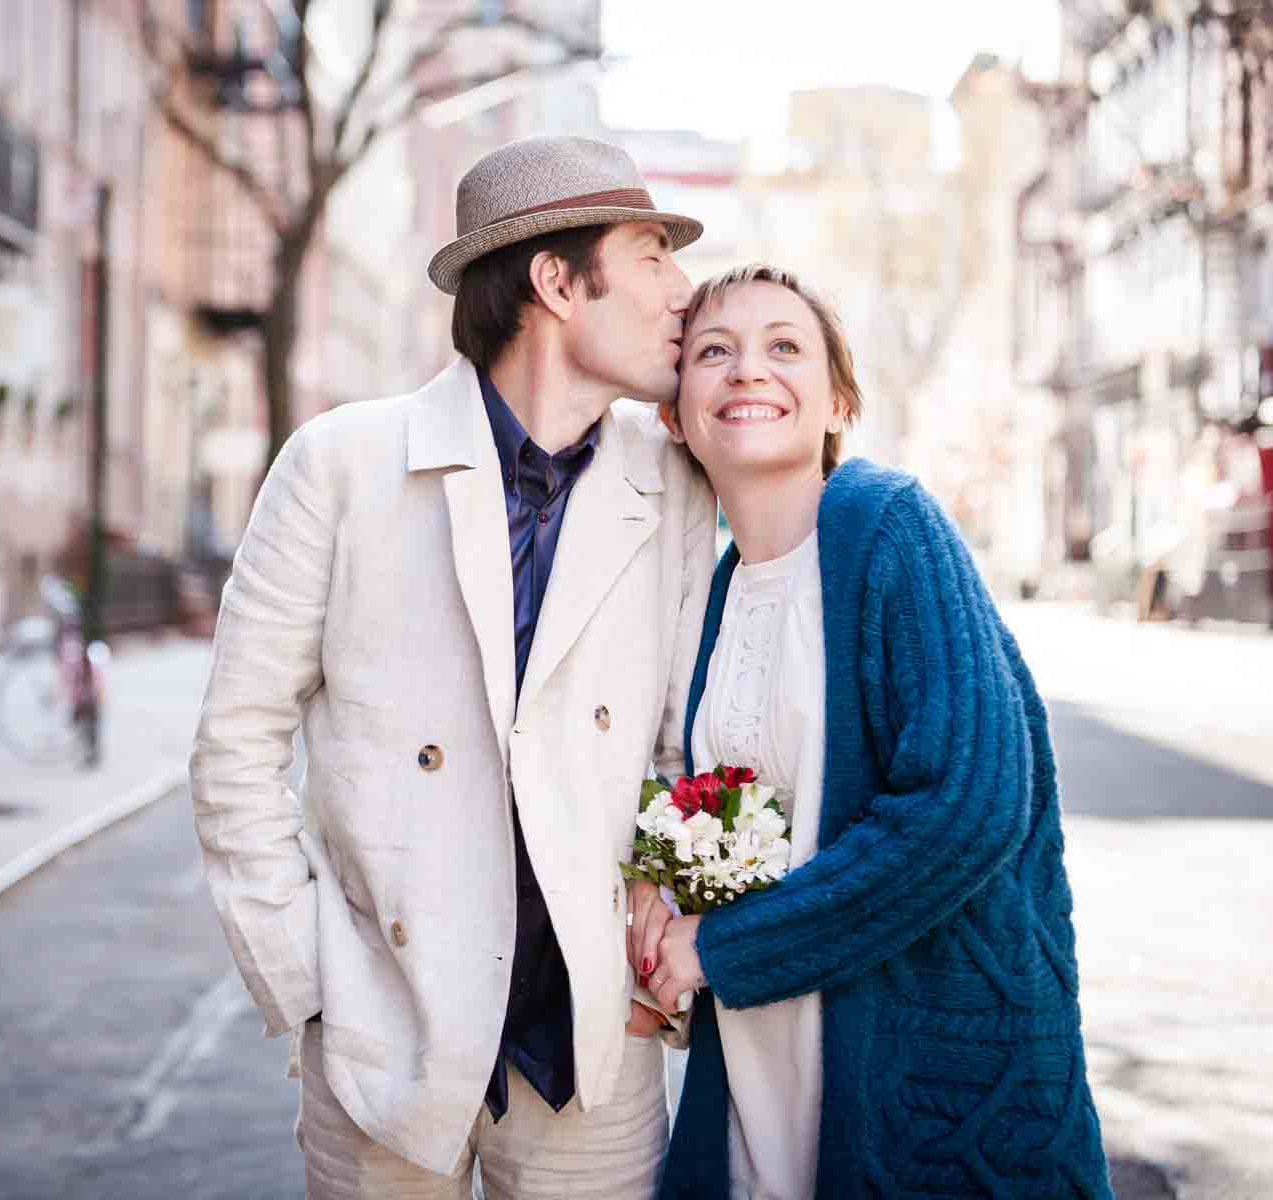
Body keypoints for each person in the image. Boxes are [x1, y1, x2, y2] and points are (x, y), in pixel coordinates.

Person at [189, 135, 717, 1199]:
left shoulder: (674, 488)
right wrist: (310, 981)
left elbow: (682, 746)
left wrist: (656, 935)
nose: (683, 291)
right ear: (557, 281)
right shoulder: (341, 465)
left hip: (592, 1053)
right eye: (653, 256)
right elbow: (235, 744)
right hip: (386, 1037)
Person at [627, 264, 1112, 1198]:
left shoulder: (889, 527)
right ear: (676, 413)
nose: (746, 370)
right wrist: (661, 907)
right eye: (713, 352)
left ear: (838, 398)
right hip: (763, 1067)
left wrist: (718, 950)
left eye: (784, 347)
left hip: (919, 1072)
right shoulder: (712, 594)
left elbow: (969, 807)